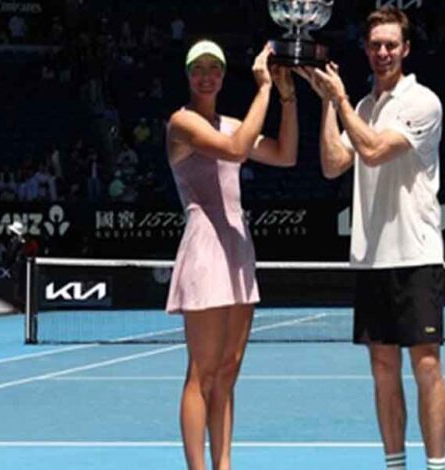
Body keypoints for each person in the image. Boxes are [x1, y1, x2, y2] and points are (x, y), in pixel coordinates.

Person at [297, 7, 445, 470]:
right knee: (382, 369)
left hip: (416, 254)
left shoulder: (423, 102)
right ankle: (395, 465)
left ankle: (436, 467)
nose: (383, 52)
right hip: (370, 258)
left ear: (405, 49)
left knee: (426, 365)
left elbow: (375, 150)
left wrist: (340, 99)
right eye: (375, 45)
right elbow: (332, 164)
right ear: (366, 49)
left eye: (391, 45)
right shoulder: (362, 108)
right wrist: (329, 103)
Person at [164, 39, 297, 470]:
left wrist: (287, 97)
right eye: (198, 69)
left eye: (214, 69)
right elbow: (237, 150)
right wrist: (264, 88)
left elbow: (285, 154)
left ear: (222, 75)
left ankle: (224, 464)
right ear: (188, 75)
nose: (206, 76)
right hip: (205, 249)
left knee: (228, 369)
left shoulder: (233, 124)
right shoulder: (182, 123)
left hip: (238, 249)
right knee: (201, 372)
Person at [5, 220, 27, 311]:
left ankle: (19, 305)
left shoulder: (16, 240)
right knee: (19, 285)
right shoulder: (21, 240)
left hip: (17, 266)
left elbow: (12, 253)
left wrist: (8, 262)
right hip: (19, 265)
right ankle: (20, 304)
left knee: (17, 285)